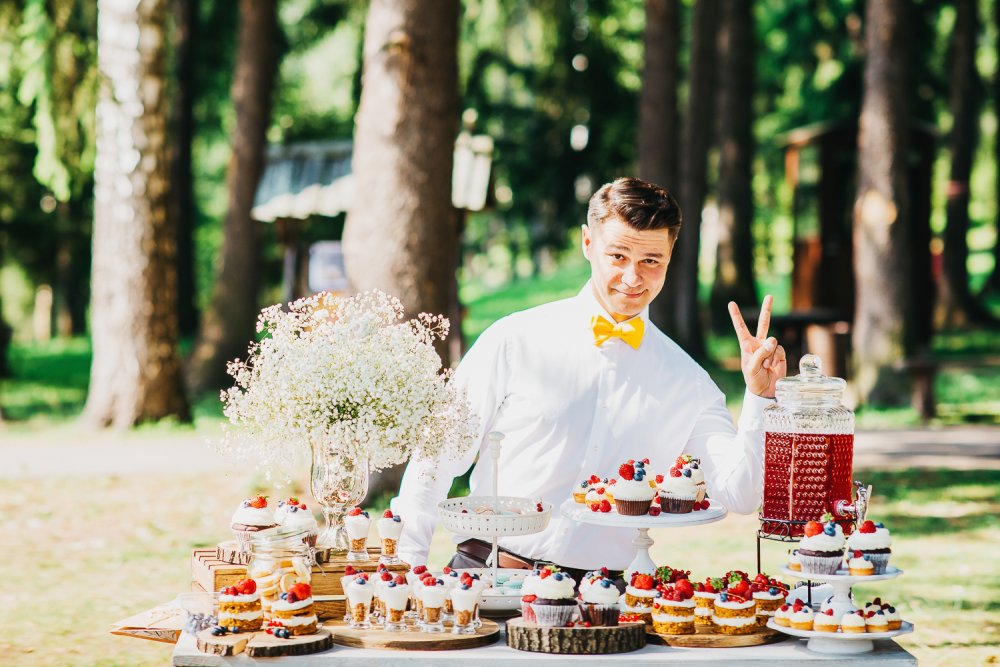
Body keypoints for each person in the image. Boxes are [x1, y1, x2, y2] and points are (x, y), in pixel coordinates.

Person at [390, 177, 787, 579]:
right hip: (487, 576)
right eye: (618, 256)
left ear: (670, 255)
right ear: (587, 243)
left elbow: (738, 493)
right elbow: (435, 458)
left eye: (651, 260)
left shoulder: (688, 380)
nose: (633, 277)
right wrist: (405, 566)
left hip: (606, 601)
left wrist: (760, 397)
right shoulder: (514, 340)